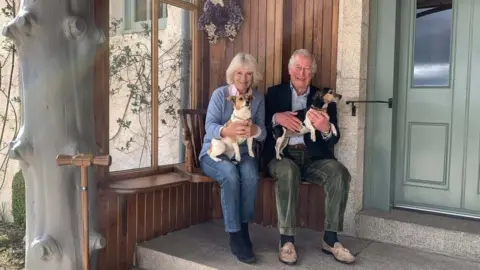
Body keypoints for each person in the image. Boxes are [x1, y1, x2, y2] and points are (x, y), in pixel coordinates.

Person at [263, 49, 355, 264]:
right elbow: (260, 121)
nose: (301, 73)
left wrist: (325, 128)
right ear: (289, 70)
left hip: (314, 158)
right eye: (298, 68)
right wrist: (277, 117)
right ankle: (286, 240)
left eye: (306, 69)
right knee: (287, 171)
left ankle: (330, 239)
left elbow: (334, 138)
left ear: (312, 73)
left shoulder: (323, 98)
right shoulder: (274, 94)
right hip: (282, 156)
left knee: (339, 173)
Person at [198, 52, 266, 264]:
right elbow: (209, 127)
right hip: (215, 151)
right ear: (232, 73)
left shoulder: (258, 98)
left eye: (248, 74)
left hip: (242, 153)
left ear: (253, 76)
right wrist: (226, 131)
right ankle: (235, 234)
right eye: (239, 72)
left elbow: (263, 132)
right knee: (229, 174)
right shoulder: (220, 95)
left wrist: (254, 129)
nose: (243, 78)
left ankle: (244, 228)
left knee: (250, 174)